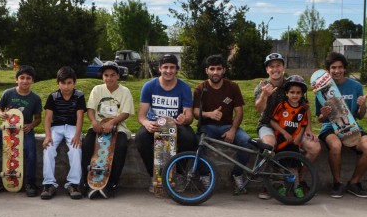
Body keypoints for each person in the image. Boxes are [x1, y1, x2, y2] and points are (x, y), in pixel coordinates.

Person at [254, 52, 321, 198]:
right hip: (268, 124)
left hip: (293, 126)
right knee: (269, 145)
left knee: (315, 147)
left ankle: (299, 181)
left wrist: (308, 128)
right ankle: (270, 184)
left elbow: (305, 108)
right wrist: (264, 95)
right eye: (271, 66)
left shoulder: (291, 84)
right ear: (267, 69)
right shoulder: (262, 86)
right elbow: (259, 109)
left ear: (283, 67)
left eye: (278, 65)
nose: (275, 69)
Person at [314, 52, 367, 199]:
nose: (337, 71)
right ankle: (337, 183)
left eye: (340, 67)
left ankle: (354, 183)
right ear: (328, 70)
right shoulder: (321, 89)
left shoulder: (355, 86)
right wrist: (324, 114)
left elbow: (360, 116)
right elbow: (320, 119)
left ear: (345, 68)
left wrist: (362, 106)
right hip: (330, 127)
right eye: (333, 68)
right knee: (336, 146)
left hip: (352, 126)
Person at [135, 54, 197, 188]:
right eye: (165, 67)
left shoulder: (184, 87)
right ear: (159, 68)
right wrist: (146, 123)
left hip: (175, 124)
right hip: (155, 123)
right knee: (140, 138)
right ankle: (154, 175)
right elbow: (141, 115)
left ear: (177, 69)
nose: (168, 71)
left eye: (172, 67)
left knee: (190, 138)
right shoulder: (149, 86)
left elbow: (189, 116)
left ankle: (178, 174)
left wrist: (184, 119)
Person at [193, 54, 252, 194]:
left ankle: (237, 174)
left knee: (246, 141)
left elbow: (239, 112)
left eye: (219, 69)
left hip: (227, 126)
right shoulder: (200, 88)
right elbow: (195, 112)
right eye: (212, 69)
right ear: (206, 70)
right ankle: (205, 176)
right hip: (207, 127)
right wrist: (209, 114)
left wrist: (233, 130)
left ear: (224, 70)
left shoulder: (232, 87)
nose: (215, 72)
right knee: (197, 143)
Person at [0, 65, 43, 197]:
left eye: (28, 78)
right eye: (22, 77)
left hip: (24, 129)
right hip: (7, 128)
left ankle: (30, 182)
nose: (25, 81)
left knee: (31, 151)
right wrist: (1, 114)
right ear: (17, 79)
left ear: (33, 81)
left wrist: (31, 125)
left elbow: (38, 119)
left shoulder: (35, 98)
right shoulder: (8, 93)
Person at [80, 61, 134, 199]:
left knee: (121, 146)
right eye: (106, 75)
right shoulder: (97, 89)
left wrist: (112, 122)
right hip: (98, 125)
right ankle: (86, 182)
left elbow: (126, 112)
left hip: (118, 126)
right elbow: (90, 109)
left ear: (118, 76)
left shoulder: (125, 91)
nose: (109, 78)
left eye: (112, 75)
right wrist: (94, 122)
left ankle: (111, 183)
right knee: (87, 145)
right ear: (102, 76)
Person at [40, 66, 86, 200]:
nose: (66, 86)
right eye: (63, 83)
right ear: (58, 83)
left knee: (76, 148)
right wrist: (48, 136)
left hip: (73, 127)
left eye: (69, 83)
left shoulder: (79, 96)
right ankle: (49, 184)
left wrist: (77, 135)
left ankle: (73, 184)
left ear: (74, 83)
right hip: (57, 127)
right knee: (48, 148)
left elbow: (80, 117)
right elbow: (48, 118)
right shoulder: (53, 97)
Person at [266, 76, 311, 199]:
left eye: (298, 93)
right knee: (281, 166)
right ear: (287, 93)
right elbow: (273, 122)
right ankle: (283, 187)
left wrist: (299, 137)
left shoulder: (302, 110)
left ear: (302, 94)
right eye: (292, 92)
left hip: (294, 143)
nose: (295, 95)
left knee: (293, 166)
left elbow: (303, 125)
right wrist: (284, 133)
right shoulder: (282, 106)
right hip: (282, 141)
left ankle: (297, 187)